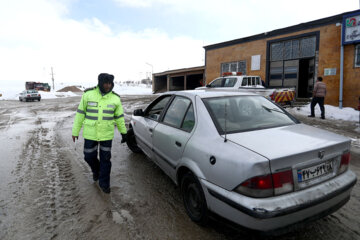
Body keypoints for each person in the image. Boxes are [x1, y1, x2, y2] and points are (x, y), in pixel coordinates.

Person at [72, 73, 127, 194]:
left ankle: (104, 183)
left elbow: (119, 117)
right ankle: (96, 171)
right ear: (100, 83)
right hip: (90, 133)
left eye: (110, 83)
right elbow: (80, 114)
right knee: (88, 156)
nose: (108, 86)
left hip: (106, 134)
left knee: (105, 160)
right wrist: (75, 131)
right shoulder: (88, 94)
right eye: (105, 83)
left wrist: (124, 132)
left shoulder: (115, 98)